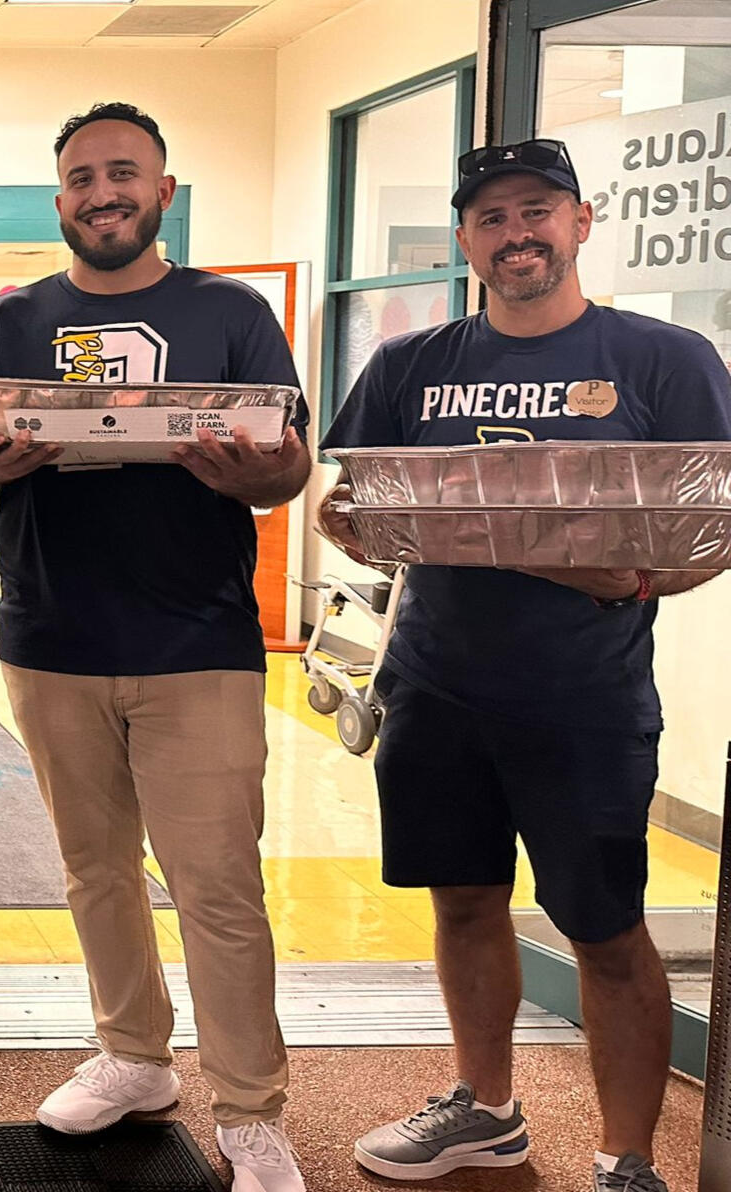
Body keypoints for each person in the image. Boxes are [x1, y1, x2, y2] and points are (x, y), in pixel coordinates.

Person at [320, 138, 731, 1192]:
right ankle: (486, 1111)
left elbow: (712, 529)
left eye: (537, 210)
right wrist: (348, 521)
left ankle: (627, 1158)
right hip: (434, 685)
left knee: (605, 928)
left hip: (584, 699)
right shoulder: (408, 367)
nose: (517, 234)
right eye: (492, 218)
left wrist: (634, 583)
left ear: (580, 222)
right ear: (465, 240)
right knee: (463, 903)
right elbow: (353, 500)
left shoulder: (663, 360)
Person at [0, 103, 311, 1192]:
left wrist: (262, 476)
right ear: (61, 201)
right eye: (84, 178)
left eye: (124, 174)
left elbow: (291, 461)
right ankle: (135, 1059)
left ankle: (250, 1109)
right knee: (96, 870)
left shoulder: (229, 312)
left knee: (216, 885)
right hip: (51, 636)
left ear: (162, 192)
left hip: (199, 643)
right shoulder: (9, 320)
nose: (104, 194)